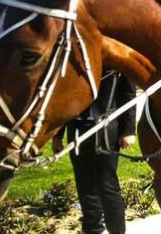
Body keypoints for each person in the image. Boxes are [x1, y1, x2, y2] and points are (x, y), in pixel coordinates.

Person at [53, 71, 137, 234]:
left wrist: (128, 130)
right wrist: (58, 134)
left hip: (106, 129)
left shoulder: (115, 57)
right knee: (85, 185)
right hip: (77, 130)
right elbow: (64, 98)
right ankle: (93, 230)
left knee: (107, 184)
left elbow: (129, 93)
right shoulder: (73, 60)